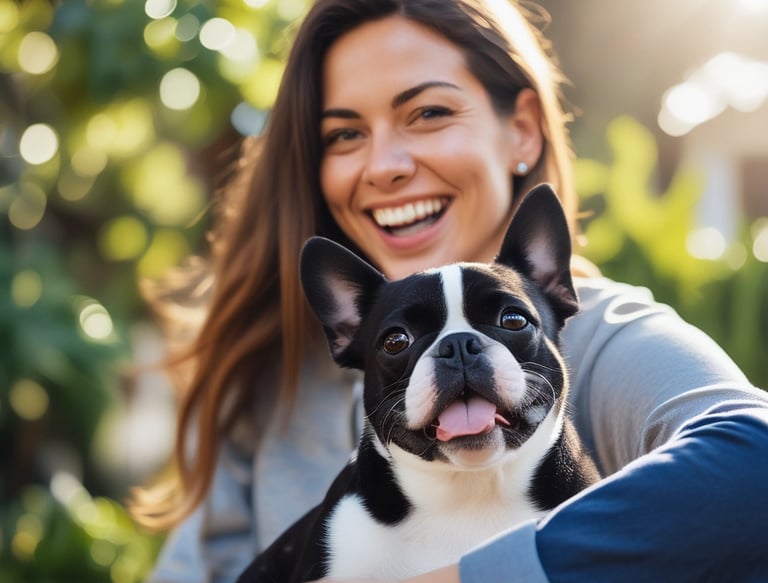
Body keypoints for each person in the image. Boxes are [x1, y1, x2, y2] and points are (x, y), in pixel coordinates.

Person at [130, 0, 768, 581]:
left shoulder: (600, 337)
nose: (385, 165)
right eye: (345, 134)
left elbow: (755, 461)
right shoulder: (271, 374)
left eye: (428, 113)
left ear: (521, 129)